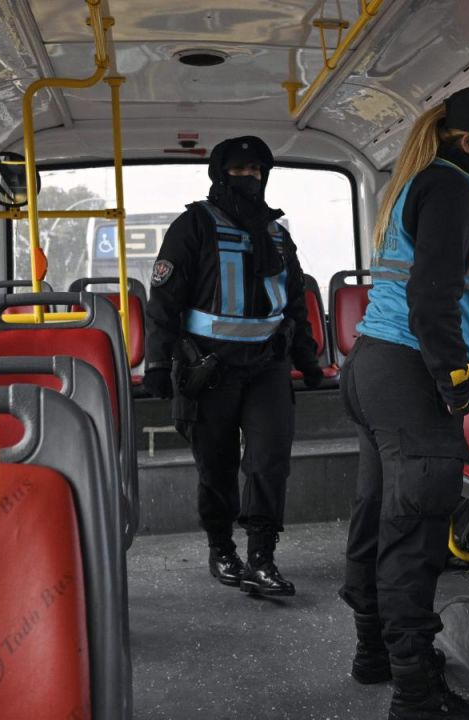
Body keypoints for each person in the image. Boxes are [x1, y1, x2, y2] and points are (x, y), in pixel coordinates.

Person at [339, 86, 469, 720]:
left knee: (379, 514)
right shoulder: (452, 189)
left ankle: (375, 652)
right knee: (415, 532)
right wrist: (455, 381)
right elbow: (433, 301)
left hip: (376, 366)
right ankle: (416, 695)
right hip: (413, 373)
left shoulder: (421, 183)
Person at [143, 136, 323, 597]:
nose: (250, 179)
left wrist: (307, 356)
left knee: (268, 463)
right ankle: (222, 549)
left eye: (258, 171)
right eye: (240, 171)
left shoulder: (278, 233)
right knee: (217, 467)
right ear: (221, 176)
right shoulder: (193, 225)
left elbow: (295, 305)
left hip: (267, 364)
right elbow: (164, 300)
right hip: (209, 368)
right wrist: (158, 362)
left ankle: (263, 557)